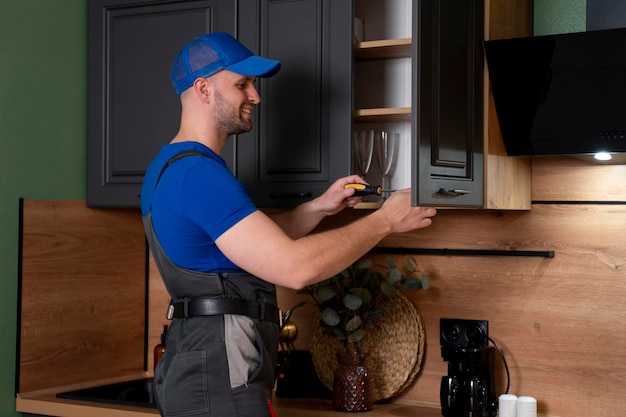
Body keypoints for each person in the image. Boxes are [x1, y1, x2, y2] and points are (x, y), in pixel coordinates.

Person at [140, 32, 436, 417]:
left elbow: (243, 243)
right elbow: (296, 269)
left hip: (200, 370)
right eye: (242, 84)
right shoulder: (200, 176)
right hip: (218, 380)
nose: (255, 97)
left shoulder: (171, 167)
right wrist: (387, 220)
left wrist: (319, 209)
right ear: (204, 89)